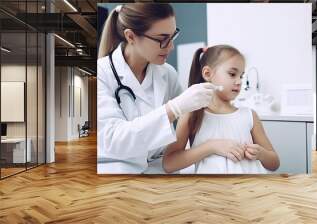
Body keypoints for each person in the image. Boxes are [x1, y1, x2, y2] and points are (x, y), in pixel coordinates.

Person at [97, 3, 219, 174]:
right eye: (162, 39)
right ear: (131, 36)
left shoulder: (167, 73)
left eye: (172, 36)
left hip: (157, 166)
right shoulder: (102, 73)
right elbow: (114, 141)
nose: (171, 47)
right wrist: (173, 108)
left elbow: (191, 115)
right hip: (116, 168)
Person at [163, 45, 280, 174]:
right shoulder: (192, 114)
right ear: (208, 74)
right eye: (232, 74)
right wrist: (211, 147)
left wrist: (261, 154)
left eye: (241, 76)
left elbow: (274, 163)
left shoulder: (249, 116)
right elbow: (169, 164)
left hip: (247, 189)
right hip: (210, 191)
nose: (239, 81)